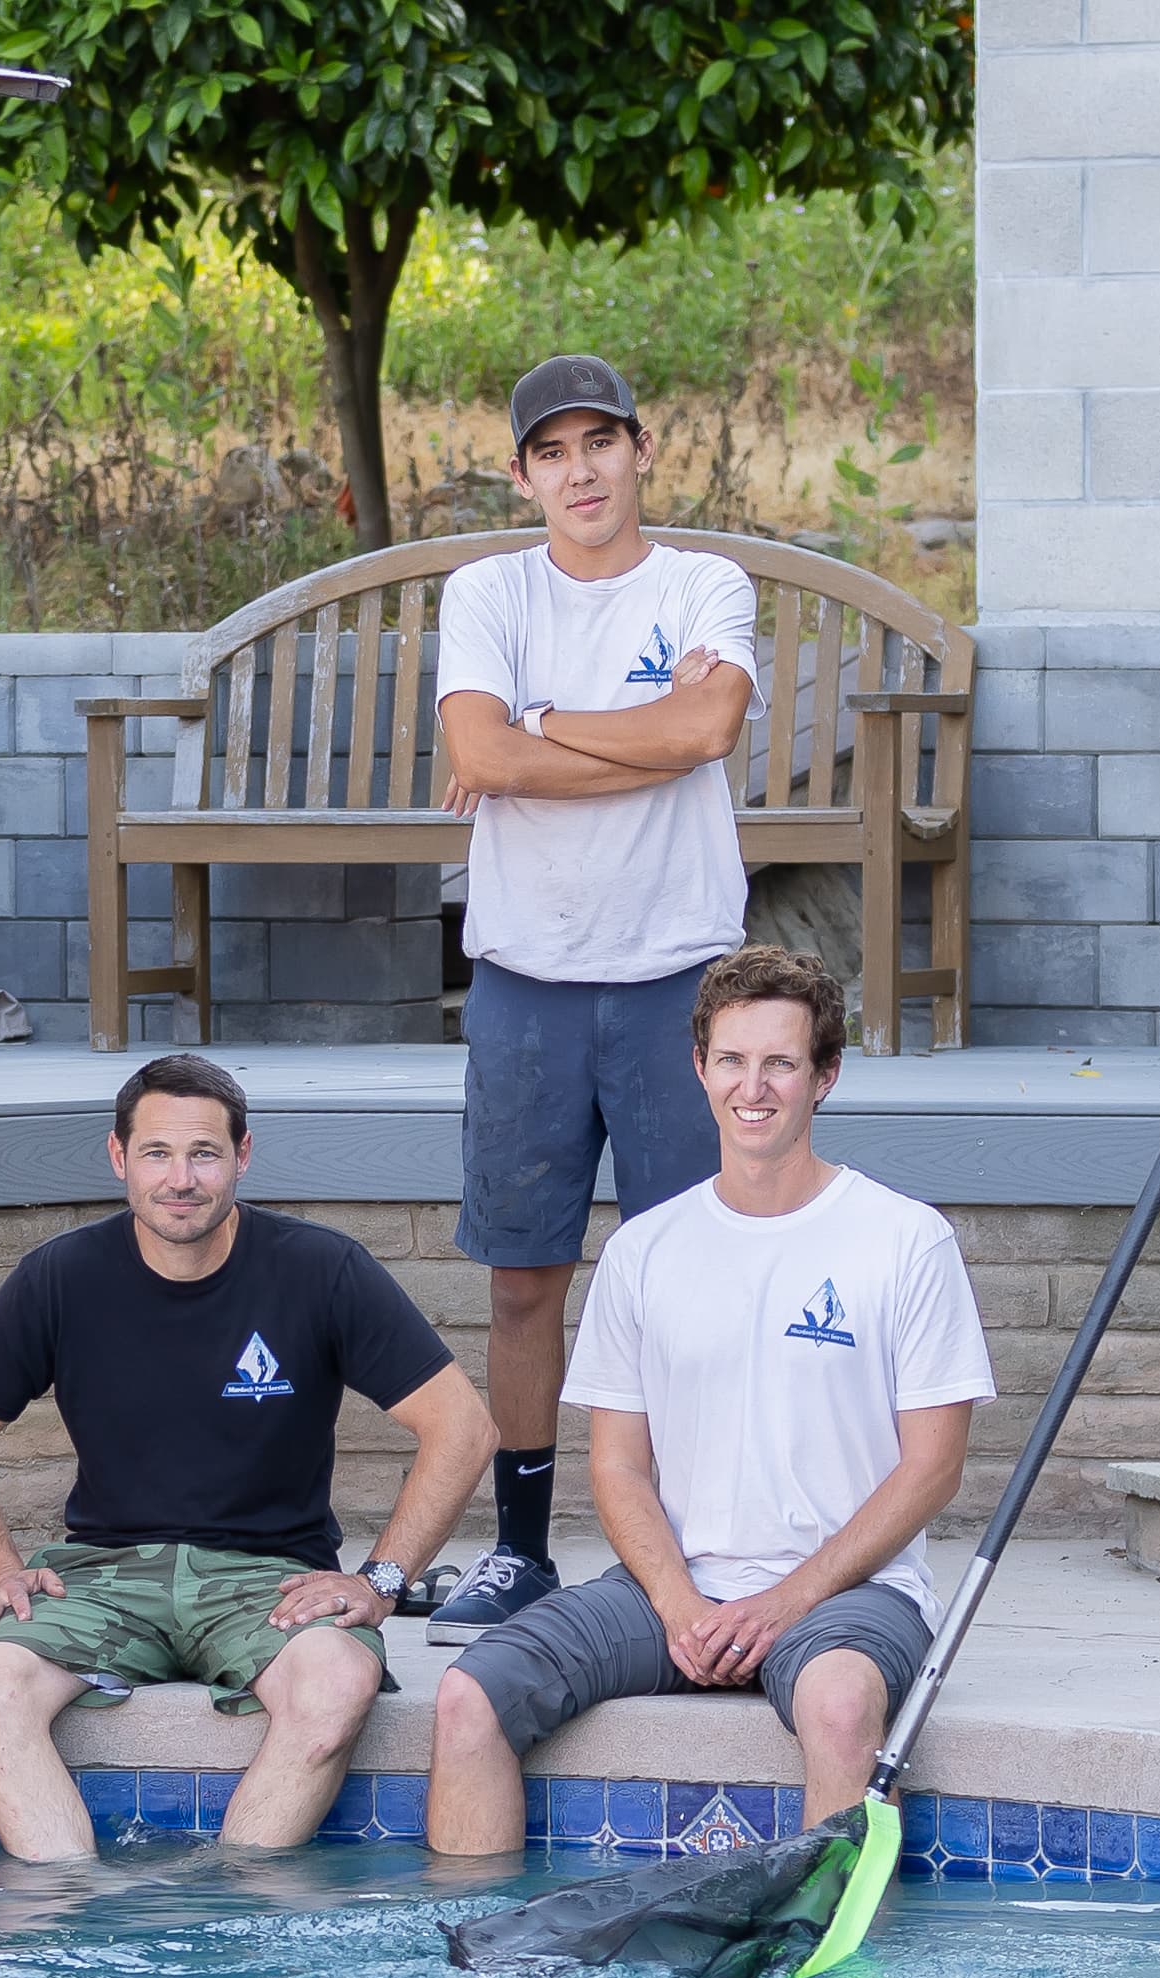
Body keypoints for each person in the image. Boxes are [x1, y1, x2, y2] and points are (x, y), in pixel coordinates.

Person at [426, 946, 993, 1853]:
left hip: (848, 1593)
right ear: (699, 1069)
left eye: (780, 1062)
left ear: (825, 1076)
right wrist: (682, 1605)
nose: (753, 1087)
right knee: (465, 1699)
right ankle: (490, 1969)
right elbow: (616, 1465)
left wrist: (785, 1602)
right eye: (731, 1060)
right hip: (670, 1592)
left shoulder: (904, 1240)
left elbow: (934, 1469)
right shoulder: (647, 1250)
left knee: (843, 1709)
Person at [0, 1053, 497, 1860]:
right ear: (119, 1158)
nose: (180, 1179)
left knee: (336, 1685)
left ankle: (229, 1923)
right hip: (105, 1574)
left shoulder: (320, 1268)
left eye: (204, 1154)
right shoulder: (63, 1275)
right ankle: (66, 1928)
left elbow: (462, 1427)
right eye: (156, 1153)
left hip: (270, 1578)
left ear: (243, 1156)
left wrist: (382, 1580)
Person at [424, 353, 763, 1644]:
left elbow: (705, 734)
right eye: (550, 452)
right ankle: (519, 1550)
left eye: (599, 444)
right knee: (524, 1279)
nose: (579, 471)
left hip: (679, 975)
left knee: (688, 1276)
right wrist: (621, 729)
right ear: (522, 475)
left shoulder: (700, 585)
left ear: (639, 450)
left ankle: (694, 1544)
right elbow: (476, 751)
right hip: (526, 981)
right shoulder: (488, 589)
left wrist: (546, 727)